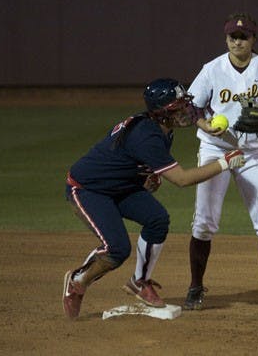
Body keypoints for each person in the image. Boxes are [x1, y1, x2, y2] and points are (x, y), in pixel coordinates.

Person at [62, 78, 246, 319]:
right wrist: (224, 162)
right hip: (88, 189)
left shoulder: (162, 129)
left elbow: (125, 160)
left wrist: (147, 177)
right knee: (117, 249)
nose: (184, 111)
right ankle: (77, 280)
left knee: (157, 219)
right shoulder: (146, 136)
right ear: (161, 113)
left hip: (120, 186)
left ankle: (140, 281)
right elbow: (182, 180)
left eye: (184, 105)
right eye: (176, 108)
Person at [183, 12, 258, 309]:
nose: (237, 41)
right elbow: (191, 106)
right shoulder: (212, 69)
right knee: (204, 224)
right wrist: (204, 125)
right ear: (226, 39)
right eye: (233, 37)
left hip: (253, 153)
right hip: (215, 150)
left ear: (253, 40)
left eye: (243, 37)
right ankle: (195, 287)